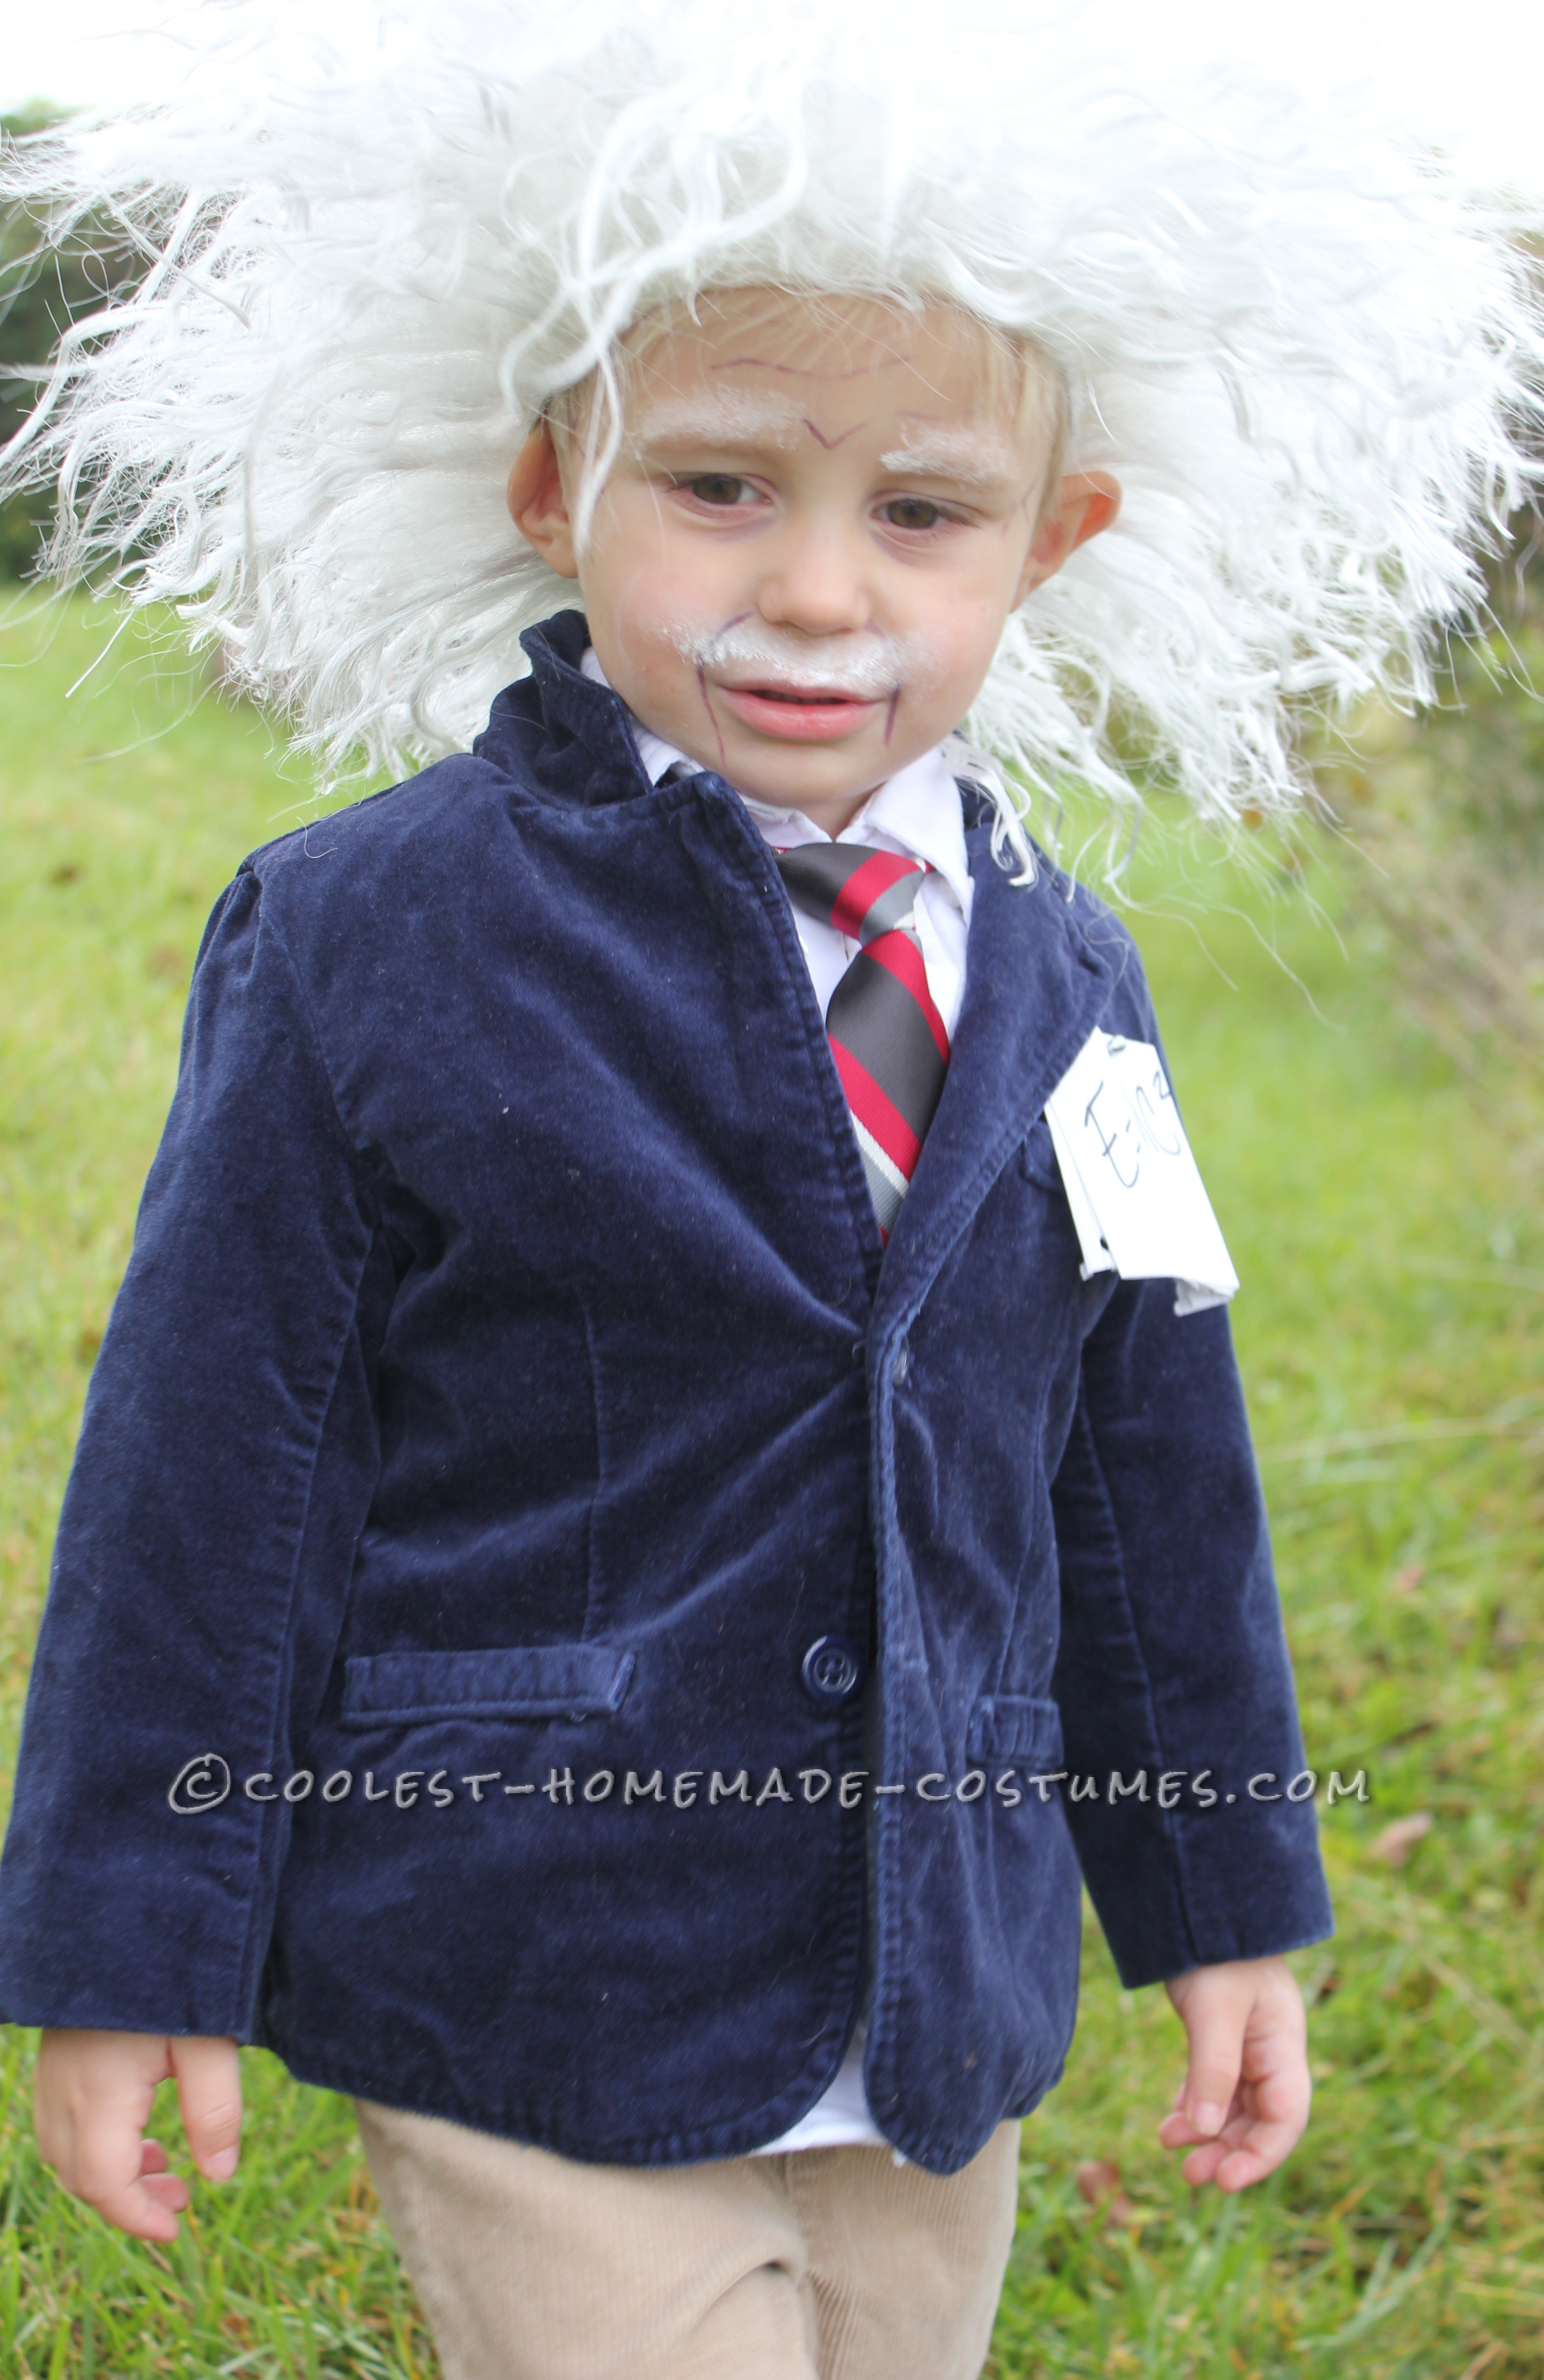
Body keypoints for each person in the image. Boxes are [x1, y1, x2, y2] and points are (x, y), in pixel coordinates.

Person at [0, 6, 1537, 2375]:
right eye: (718, 488)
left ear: (1051, 542)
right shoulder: (370, 934)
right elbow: (217, 1465)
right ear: (548, 487)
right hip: (540, 1961)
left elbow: (1143, 1465)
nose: (820, 593)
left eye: (919, 516)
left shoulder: (1058, 965)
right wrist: (129, 1937)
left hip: (943, 1992)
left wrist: (1224, 1890)